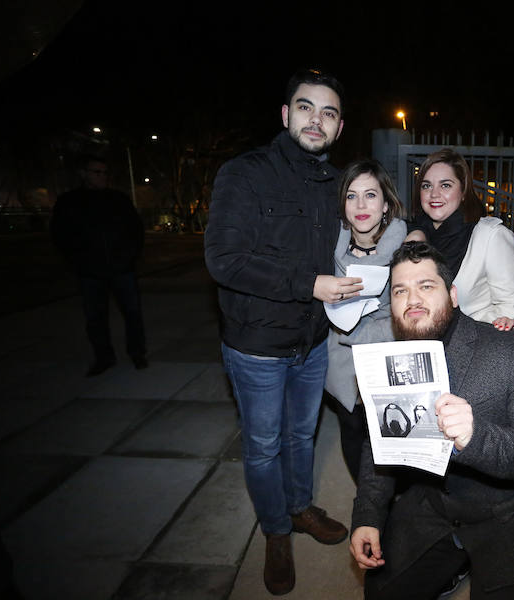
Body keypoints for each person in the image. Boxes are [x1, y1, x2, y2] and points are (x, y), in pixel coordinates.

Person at [204, 68, 362, 596]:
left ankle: (299, 509)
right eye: (306, 107)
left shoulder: (333, 183)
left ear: (339, 127)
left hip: (313, 342)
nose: (316, 119)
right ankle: (275, 531)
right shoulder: (244, 174)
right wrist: (309, 283)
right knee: (264, 445)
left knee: (302, 436)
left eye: (329, 111)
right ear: (285, 114)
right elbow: (224, 260)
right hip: (257, 347)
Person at [350, 242, 514, 600]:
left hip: (512, 512)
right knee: (380, 591)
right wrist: (367, 516)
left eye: (426, 286)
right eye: (400, 291)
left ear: (452, 295)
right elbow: (378, 445)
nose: (412, 300)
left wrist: (476, 437)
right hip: (436, 503)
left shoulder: (507, 349)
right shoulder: (391, 360)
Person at [324, 159, 407, 482]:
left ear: (386, 204)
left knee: (389, 435)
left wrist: (358, 330)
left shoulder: (405, 249)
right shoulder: (327, 248)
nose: (360, 205)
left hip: (388, 360)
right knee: (352, 430)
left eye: (370, 195)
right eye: (351, 195)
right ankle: (366, 504)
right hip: (341, 363)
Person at [405, 148, 514, 332]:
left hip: (474, 347)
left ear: (463, 191)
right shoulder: (411, 237)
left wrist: (470, 336)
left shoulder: (490, 235)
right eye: (426, 185)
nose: (434, 193)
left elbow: (512, 304)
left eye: (445, 185)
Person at [51, 155, 147, 376]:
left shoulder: (118, 199)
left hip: (121, 268)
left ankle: (137, 353)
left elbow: (136, 230)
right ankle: (103, 357)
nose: (102, 176)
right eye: (96, 172)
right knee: (95, 317)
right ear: (83, 173)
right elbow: (60, 235)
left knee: (132, 313)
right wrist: (78, 261)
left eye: (104, 172)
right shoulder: (69, 202)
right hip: (90, 271)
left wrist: (130, 257)